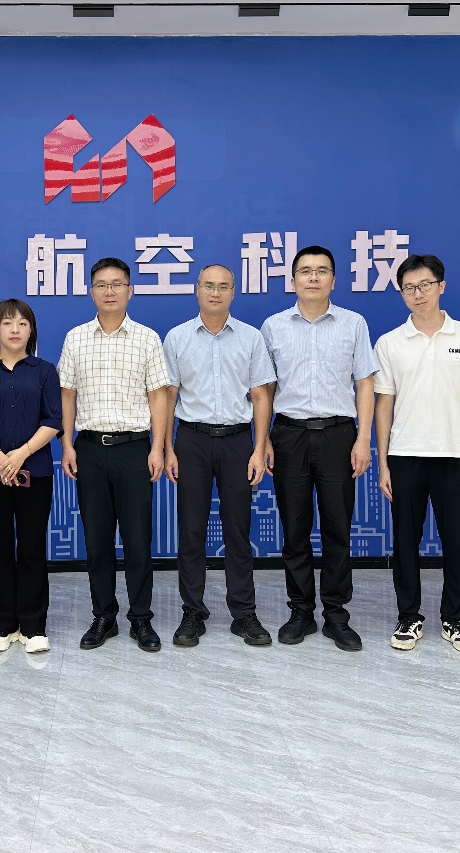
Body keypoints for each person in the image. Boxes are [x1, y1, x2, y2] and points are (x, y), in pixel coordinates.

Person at [374, 254, 460, 655]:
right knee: (405, 541)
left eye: (425, 285)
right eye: (409, 288)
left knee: (456, 541)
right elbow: (384, 405)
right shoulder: (390, 342)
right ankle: (408, 616)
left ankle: (454, 619)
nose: (418, 293)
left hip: (456, 454)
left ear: (441, 286)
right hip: (405, 454)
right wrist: (383, 462)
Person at [259, 245, 376, 652]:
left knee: (337, 528)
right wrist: (263, 440)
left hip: (338, 435)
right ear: (292, 280)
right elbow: (264, 389)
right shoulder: (273, 326)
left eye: (321, 271)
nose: (313, 277)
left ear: (333, 280)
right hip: (288, 435)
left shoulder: (353, 323)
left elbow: (365, 383)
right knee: (294, 529)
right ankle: (301, 611)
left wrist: (364, 439)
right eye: (305, 271)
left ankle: (337, 615)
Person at [59, 257, 172, 653]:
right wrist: (67, 443)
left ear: (130, 290)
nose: (109, 291)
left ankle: (141, 618)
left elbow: (159, 396)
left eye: (117, 284)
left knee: (138, 540)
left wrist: (157, 447)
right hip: (89, 448)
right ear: (91, 292)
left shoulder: (147, 338)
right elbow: (67, 394)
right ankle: (103, 616)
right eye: (102, 285)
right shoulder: (76, 338)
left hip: (134, 449)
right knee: (97, 540)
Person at [164, 264, 276, 647]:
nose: (215, 293)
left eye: (223, 287)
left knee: (238, 532)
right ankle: (192, 612)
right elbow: (168, 396)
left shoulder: (251, 337)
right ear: (197, 290)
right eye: (209, 286)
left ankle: (244, 614)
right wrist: (167, 447)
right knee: (191, 531)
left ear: (233, 292)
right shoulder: (177, 337)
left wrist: (259, 448)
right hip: (191, 440)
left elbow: (260, 396)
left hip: (237, 442)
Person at [0, 299, 62, 655]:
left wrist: (21, 454)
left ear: (31, 330)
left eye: (22, 323)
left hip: (36, 471)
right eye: (7, 323)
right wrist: (0, 457)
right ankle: (1, 624)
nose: (15, 329)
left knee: (32, 548)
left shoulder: (45, 371)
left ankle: (33, 626)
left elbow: (53, 419)